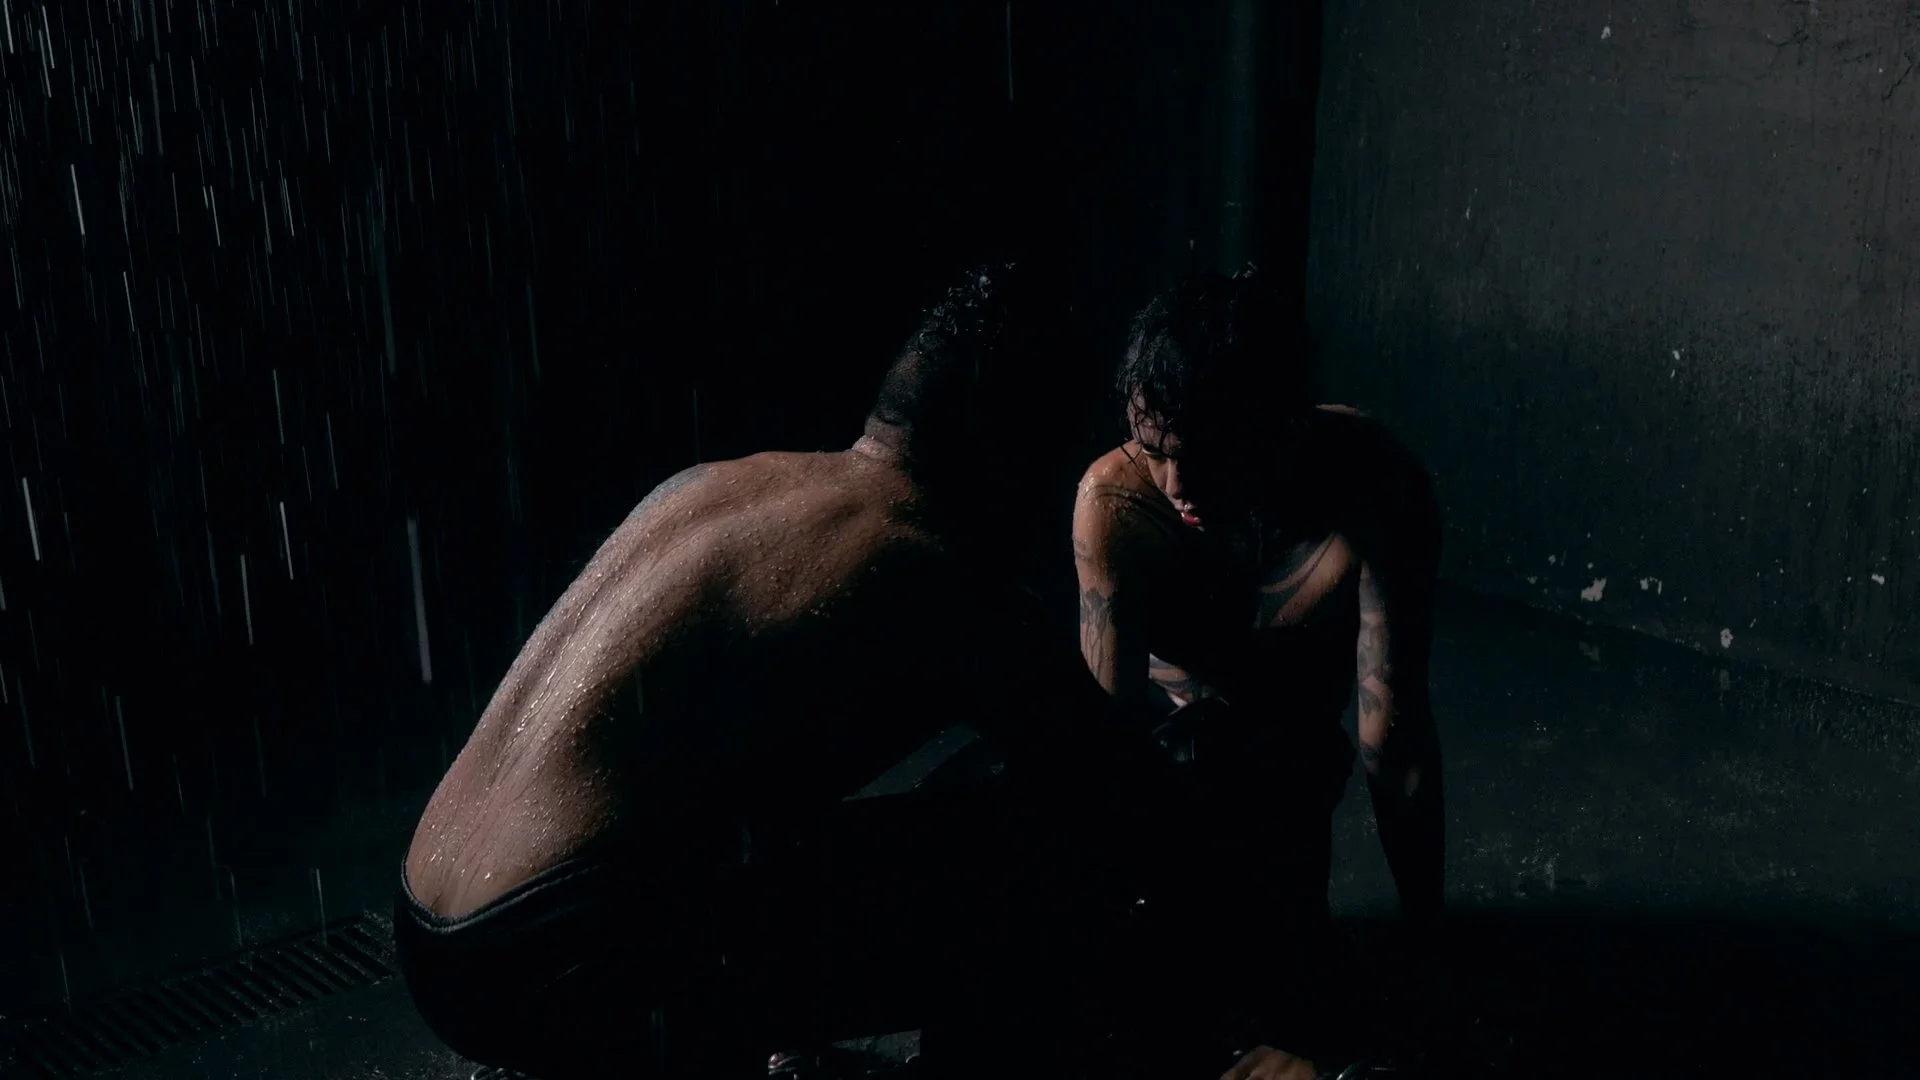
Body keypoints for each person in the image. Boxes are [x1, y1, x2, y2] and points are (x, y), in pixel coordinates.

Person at [394, 264, 1188, 1079]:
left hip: (430, 929)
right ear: (1013, 449)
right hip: (549, 963)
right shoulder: (940, 574)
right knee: (1041, 852)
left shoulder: (719, 484)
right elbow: (1121, 794)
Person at [1072, 268, 1446, 1080]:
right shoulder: (1117, 504)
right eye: (1154, 449)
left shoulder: (1374, 485)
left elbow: (1396, 742)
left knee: (1310, 1021)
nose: (1175, 486)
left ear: (1272, 426)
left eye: (1197, 455)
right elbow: (1099, 759)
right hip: (1163, 795)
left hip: (1283, 783)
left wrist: (1428, 950)